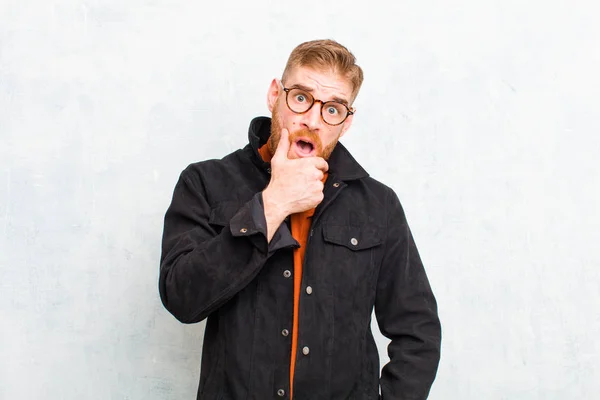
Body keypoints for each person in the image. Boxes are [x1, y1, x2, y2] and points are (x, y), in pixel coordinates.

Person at [159, 39, 441, 400]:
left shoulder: (379, 206)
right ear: (275, 94)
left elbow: (418, 332)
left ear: (346, 123)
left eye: (333, 109)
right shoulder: (205, 183)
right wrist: (272, 205)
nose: (311, 120)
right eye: (301, 98)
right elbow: (182, 298)